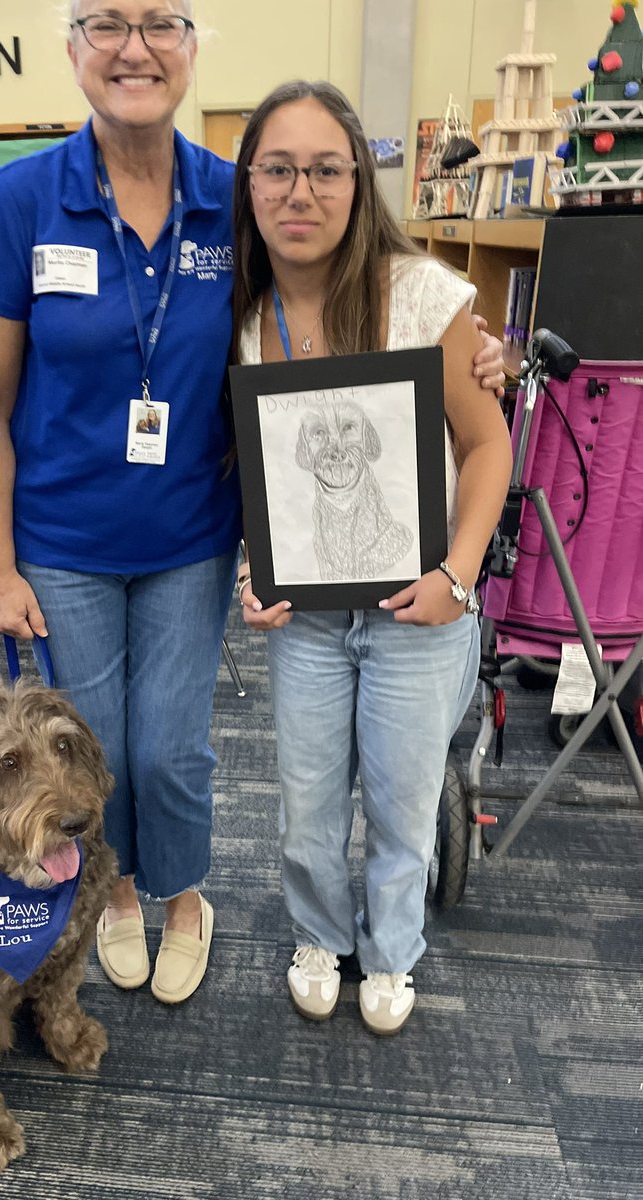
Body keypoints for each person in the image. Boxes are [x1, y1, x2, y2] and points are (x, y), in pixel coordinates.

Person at [0, 3, 507, 1007]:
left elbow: (350, 315)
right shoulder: (19, 201)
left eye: (159, 22)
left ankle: (184, 898)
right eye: (105, 24)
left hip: (191, 538)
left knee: (169, 749)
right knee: (95, 748)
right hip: (64, 539)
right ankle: (116, 894)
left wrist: (477, 348)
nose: (134, 47)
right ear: (71, 45)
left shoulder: (235, 196)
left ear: (191, 45)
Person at [232, 80, 512, 1034]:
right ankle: (322, 933)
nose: (299, 191)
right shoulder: (242, 319)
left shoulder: (422, 296)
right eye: (278, 169)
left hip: (418, 611)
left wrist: (458, 577)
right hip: (305, 616)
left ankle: (393, 952)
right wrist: (250, 569)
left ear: (357, 182)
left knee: (401, 805)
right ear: (251, 185)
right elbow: (254, 474)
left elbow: (488, 449)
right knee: (307, 808)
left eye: (323, 169)